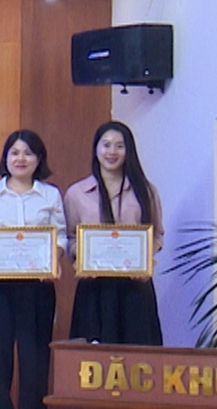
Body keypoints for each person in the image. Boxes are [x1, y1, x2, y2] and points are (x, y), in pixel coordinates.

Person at [0, 130, 66, 409]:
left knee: (35, 358)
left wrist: (53, 258)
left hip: (37, 287)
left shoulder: (50, 195)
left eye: (28, 153)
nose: (21, 159)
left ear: (39, 159)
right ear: (6, 158)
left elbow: (61, 237)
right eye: (15, 152)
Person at [64, 120, 164, 345]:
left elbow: (157, 234)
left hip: (135, 287)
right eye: (106, 145)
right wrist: (80, 258)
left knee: (138, 355)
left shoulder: (146, 190)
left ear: (129, 150)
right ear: (96, 149)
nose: (112, 152)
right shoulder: (76, 193)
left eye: (119, 146)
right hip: (94, 289)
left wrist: (147, 260)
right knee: (93, 357)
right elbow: (70, 236)